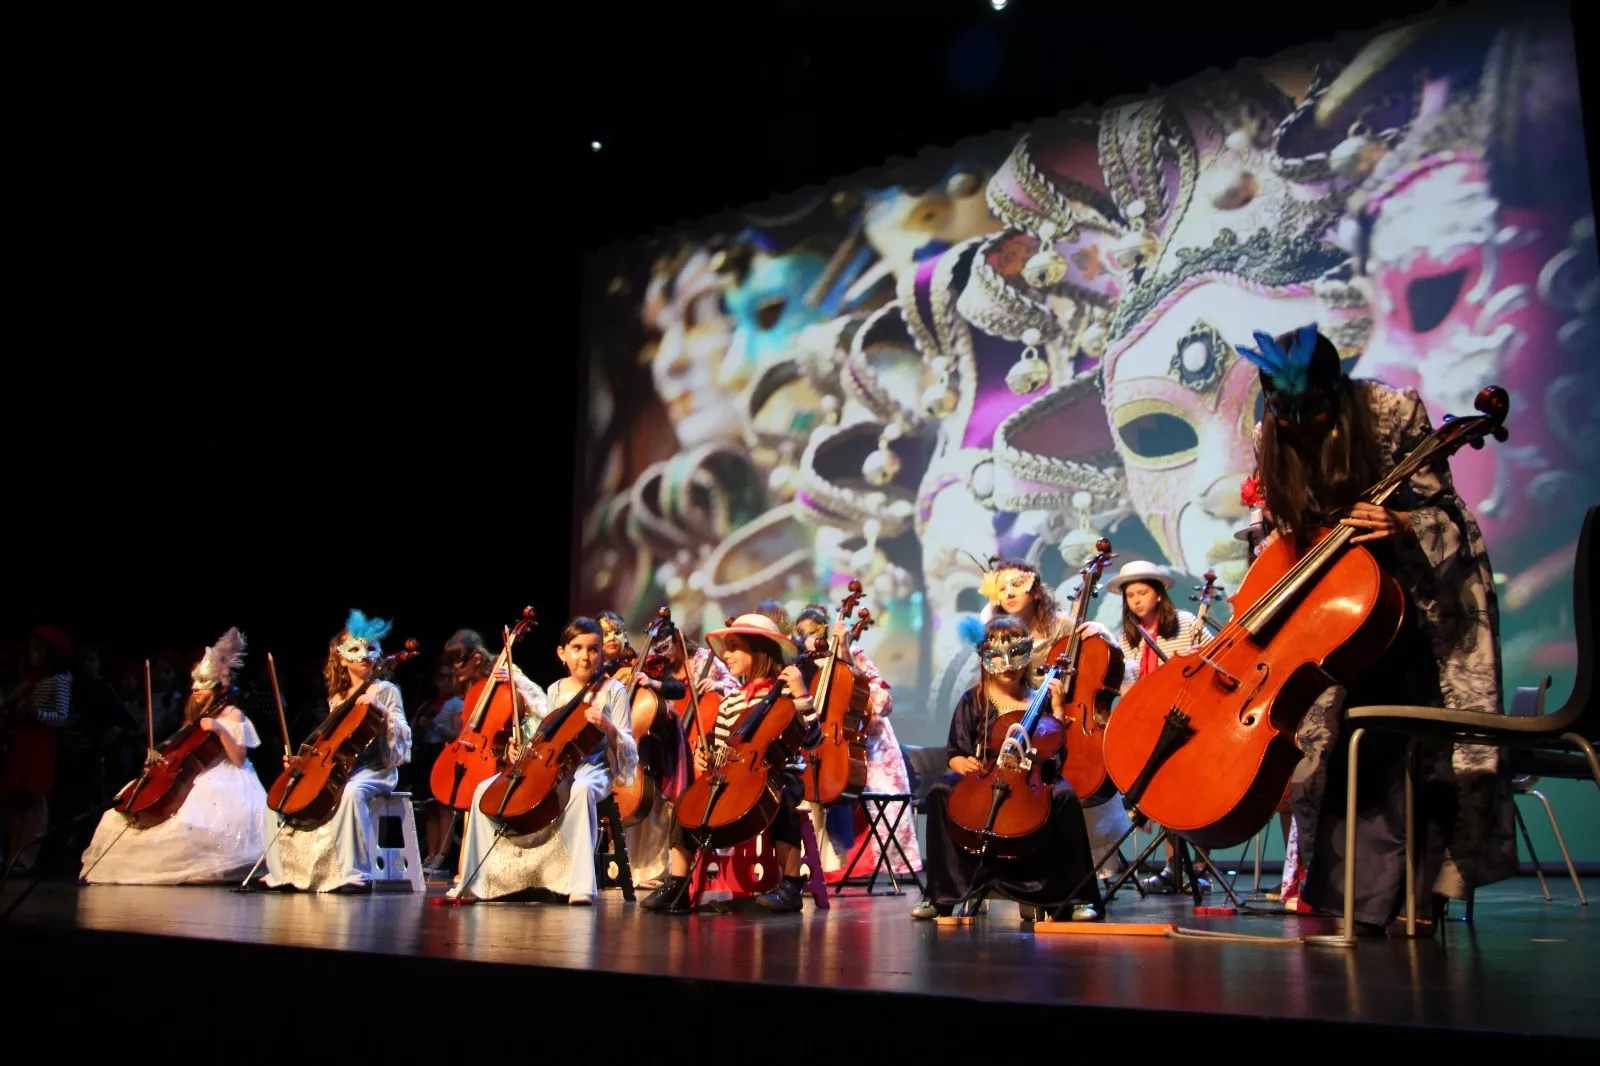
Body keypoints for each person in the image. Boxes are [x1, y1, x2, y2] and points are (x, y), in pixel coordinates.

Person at [1236, 323, 1515, 935]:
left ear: (1334, 394)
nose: (1295, 425)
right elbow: (1270, 528)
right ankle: (1353, 902)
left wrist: (1399, 524)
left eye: (1308, 411)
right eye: (1282, 411)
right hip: (1326, 614)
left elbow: (1445, 513)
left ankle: (1407, 902)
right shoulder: (1271, 433)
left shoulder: (1390, 411)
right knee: (1332, 750)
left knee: (1408, 747)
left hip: (1407, 604)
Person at [910, 615, 1102, 921]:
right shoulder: (974, 699)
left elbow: (1056, 757)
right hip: (984, 777)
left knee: (1064, 798)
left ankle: (1074, 896)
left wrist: (1055, 710)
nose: (1009, 665)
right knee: (938, 792)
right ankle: (940, 895)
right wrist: (963, 763)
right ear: (986, 659)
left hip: (1032, 778)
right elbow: (955, 752)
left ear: (1027, 656)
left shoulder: (1037, 699)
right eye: (998, 657)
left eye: (1016, 655)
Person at [445, 617, 633, 905]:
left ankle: (580, 884)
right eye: (577, 648)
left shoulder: (614, 690)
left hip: (595, 768)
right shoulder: (556, 689)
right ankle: (480, 879)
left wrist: (609, 726)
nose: (585, 656)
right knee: (484, 790)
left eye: (593, 649)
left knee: (580, 789)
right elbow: (546, 736)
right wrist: (519, 751)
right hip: (556, 766)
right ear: (562, 653)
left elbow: (629, 745)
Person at [640, 614, 817, 915]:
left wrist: (801, 694)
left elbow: (813, 738)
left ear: (760, 651)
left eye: (735, 647)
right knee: (688, 801)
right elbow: (724, 748)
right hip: (735, 776)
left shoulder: (788, 694)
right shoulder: (731, 700)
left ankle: (790, 884)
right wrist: (708, 757)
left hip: (780, 773)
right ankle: (678, 884)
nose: (726, 655)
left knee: (782, 797)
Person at [80, 628, 269, 884]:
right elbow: (184, 749)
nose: (195, 689)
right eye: (194, 684)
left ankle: (205, 869)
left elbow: (238, 758)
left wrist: (220, 728)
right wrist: (159, 757)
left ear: (219, 685)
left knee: (199, 814)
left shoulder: (231, 713)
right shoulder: (196, 715)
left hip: (226, 776)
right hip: (196, 772)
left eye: (202, 684)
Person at [1080, 561, 1209, 894]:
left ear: (1159, 593)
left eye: (1142, 593)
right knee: (1163, 793)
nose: (1136, 601)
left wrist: (1198, 656)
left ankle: (1198, 868)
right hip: (1151, 722)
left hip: (1190, 715)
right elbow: (1125, 679)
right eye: (1131, 595)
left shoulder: (1186, 623)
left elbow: (1212, 657)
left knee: (1194, 792)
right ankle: (1172, 868)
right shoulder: (1126, 637)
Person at [262, 610, 412, 893]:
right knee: (283, 796)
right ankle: (284, 871)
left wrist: (380, 711)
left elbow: (403, 737)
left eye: (370, 648)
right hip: (342, 768)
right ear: (341, 658)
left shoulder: (386, 690)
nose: (363, 654)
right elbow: (336, 741)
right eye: (354, 649)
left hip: (376, 770)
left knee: (351, 793)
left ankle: (352, 873)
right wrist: (304, 761)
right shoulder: (338, 697)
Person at [791, 603, 922, 879]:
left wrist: (845, 652)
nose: (809, 638)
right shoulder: (803, 664)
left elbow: (877, 693)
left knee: (878, 791)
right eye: (802, 632)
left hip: (865, 740)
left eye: (814, 631)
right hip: (823, 743)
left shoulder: (853, 655)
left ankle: (869, 864)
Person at [428, 629, 548, 872]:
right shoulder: (473, 683)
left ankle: (492, 868)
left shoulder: (506, 671)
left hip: (516, 749)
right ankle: (470, 866)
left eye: (458, 663)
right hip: (483, 750)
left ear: (477, 659)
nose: (455, 670)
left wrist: (516, 682)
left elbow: (541, 707)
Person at [1, 626, 72, 873]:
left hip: (40, 742)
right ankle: (13, 855)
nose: (33, 653)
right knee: (19, 800)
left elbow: (61, 716)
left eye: (38, 649)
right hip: (23, 741)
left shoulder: (59, 680)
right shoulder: (31, 680)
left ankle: (29, 856)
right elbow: (10, 700)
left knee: (35, 798)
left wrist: (35, 713)